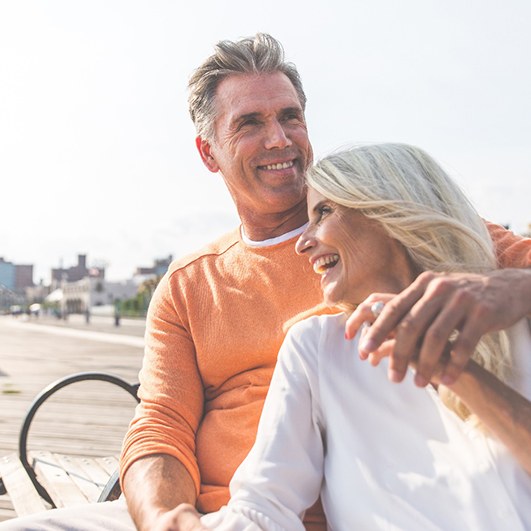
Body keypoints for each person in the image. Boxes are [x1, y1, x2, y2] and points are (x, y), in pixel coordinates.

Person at [1, 34, 530, 531]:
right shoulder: (190, 284)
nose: (279, 138)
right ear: (209, 153)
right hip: (217, 511)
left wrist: (512, 289)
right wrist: (166, 517)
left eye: (290, 116)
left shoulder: (395, 227)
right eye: (250, 122)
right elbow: (160, 427)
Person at [201, 143, 531, 530]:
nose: (302, 242)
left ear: (389, 209)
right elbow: (263, 507)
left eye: (323, 212)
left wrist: (454, 369)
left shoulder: (513, 316)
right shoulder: (318, 349)